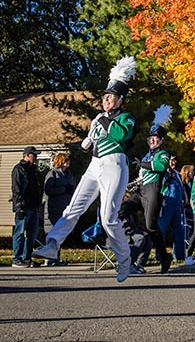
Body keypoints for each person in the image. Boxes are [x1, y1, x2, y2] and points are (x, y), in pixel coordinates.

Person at [34, 56, 137, 282]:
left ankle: (124, 258)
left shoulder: (127, 118)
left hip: (115, 163)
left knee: (108, 217)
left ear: (120, 100)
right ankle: (52, 244)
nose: (106, 100)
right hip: (96, 164)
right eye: (105, 97)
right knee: (74, 207)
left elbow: (120, 135)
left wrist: (102, 123)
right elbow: (89, 141)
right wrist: (87, 140)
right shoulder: (99, 117)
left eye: (110, 97)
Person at [138, 105, 174, 273]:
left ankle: (164, 255)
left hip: (153, 191)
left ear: (161, 140)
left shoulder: (163, 154)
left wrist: (143, 164)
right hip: (141, 190)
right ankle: (134, 244)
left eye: (155, 138)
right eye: (150, 138)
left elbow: (160, 166)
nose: (152, 140)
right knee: (121, 211)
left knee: (150, 225)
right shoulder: (147, 155)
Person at [42, 152, 76, 266]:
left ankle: (56, 257)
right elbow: (48, 190)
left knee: (60, 233)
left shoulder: (68, 175)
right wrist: (63, 189)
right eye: (66, 160)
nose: (68, 162)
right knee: (52, 232)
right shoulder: (53, 174)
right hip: (54, 208)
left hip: (65, 207)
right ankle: (49, 257)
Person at [12, 146, 42, 268]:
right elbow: (16, 188)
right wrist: (19, 206)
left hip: (34, 206)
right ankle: (17, 258)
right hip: (24, 206)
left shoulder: (33, 170)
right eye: (34, 155)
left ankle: (27, 257)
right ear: (27, 155)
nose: (36, 157)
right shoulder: (19, 169)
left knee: (32, 234)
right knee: (19, 232)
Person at [158, 155, 186, 262]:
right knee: (162, 229)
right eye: (171, 161)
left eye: (175, 160)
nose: (173, 163)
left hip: (177, 205)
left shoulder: (178, 174)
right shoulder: (164, 173)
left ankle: (179, 256)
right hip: (166, 203)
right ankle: (160, 255)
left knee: (179, 230)